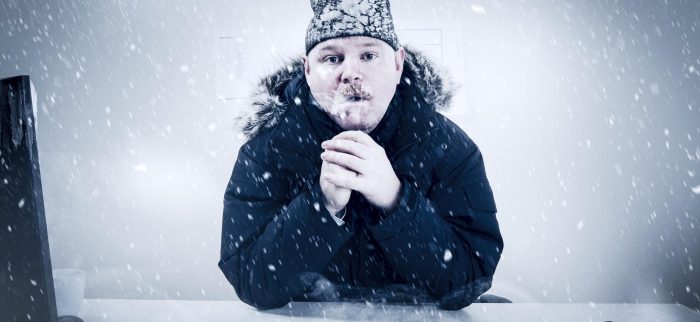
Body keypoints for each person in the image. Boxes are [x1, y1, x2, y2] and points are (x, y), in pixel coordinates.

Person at [218, 0, 503, 310]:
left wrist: (396, 200)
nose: (350, 73)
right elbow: (251, 281)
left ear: (397, 65)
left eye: (368, 56)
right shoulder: (266, 153)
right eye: (332, 58)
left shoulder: (449, 147)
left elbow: (468, 280)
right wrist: (321, 207)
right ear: (308, 70)